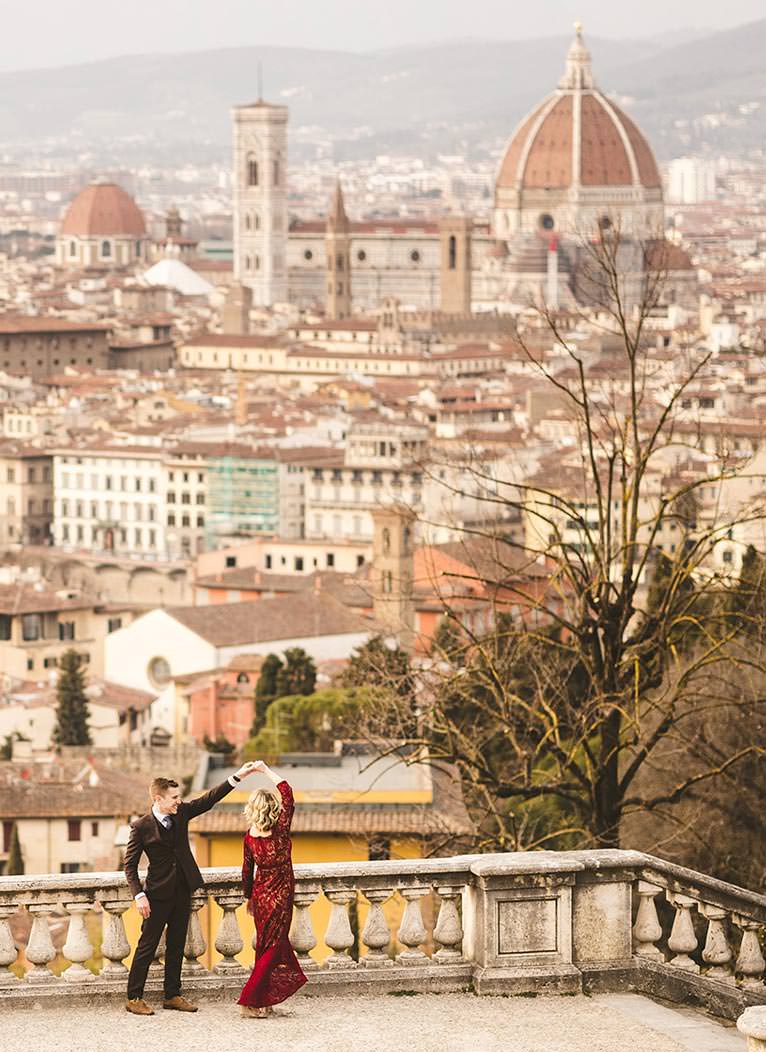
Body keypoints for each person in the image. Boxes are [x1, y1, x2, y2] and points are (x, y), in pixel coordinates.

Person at [124, 760, 260, 1016]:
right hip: (156, 894)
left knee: (177, 945)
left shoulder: (182, 813)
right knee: (147, 946)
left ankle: (172, 995)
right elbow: (129, 866)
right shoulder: (141, 827)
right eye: (174, 797)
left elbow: (209, 799)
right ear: (158, 798)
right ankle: (134, 998)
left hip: (183, 889)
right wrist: (139, 895)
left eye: (179, 797)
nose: (178, 801)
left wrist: (239, 776)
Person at [238, 759, 307, 1018]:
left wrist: (249, 898)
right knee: (273, 948)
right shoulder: (280, 831)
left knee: (265, 947)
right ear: (273, 810)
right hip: (281, 894)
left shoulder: (250, 837)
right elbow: (287, 792)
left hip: (261, 894)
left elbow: (247, 871)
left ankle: (262, 1000)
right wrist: (265, 770)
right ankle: (249, 1000)